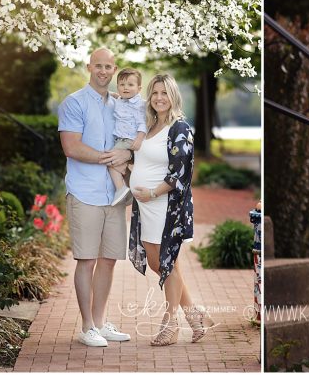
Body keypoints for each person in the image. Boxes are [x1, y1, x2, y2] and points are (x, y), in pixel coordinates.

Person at [127, 73, 213, 346]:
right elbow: (145, 163)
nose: (159, 98)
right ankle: (194, 314)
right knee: (160, 263)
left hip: (165, 206)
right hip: (145, 206)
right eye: (155, 93)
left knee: (166, 262)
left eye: (164, 93)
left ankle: (170, 323)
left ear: (173, 95)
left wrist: (152, 192)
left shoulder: (180, 128)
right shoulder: (150, 126)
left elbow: (181, 174)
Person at [57, 47, 133, 347]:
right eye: (98, 65)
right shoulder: (74, 103)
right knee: (87, 260)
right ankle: (87, 326)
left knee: (109, 260)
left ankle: (100, 323)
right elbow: (72, 147)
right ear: (89, 67)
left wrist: (124, 153)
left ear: (114, 70)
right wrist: (111, 157)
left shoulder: (120, 105)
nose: (103, 71)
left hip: (114, 195)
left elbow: (131, 142)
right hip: (84, 192)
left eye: (108, 67)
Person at [109, 68, 147, 206]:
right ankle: (131, 189)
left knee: (110, 161)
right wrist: (111, 94)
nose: (125, 88)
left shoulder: (139, 105)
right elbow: (115, 95)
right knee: (120, 165)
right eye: (122, 84)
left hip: (129, 139)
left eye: (130, 85)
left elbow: (143, 123)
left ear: (139, 88)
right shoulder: (120, 99)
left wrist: (139, 139)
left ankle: (120, 189)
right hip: (120, 139)